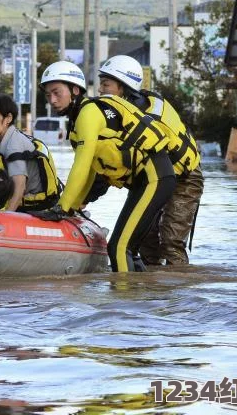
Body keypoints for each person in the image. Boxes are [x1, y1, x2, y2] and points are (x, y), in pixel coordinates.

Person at [38, 60, 176, 273]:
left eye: (57, 93)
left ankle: (123, 302)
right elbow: (92, 171)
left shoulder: (88, 113)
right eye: (48, 96)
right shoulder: (78, 120)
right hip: (147, 181)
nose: (52, 100)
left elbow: (81, 166)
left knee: (119, 248)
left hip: (155, 177)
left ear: (75, 90)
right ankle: (145, 295)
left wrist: (62, 208)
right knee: (128, 248)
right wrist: (74, 205)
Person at [98, 55, 204, 266]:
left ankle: (179, 293)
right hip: (157, 178)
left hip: (185, 178)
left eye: (105, 84)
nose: (100, 90)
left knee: (171, 241)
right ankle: (151, 293)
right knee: (146, 240)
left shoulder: (146, 118)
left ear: (122, 87)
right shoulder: (126, 113)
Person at [0, 93, 61, 212]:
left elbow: (19, 187)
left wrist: (6, 218)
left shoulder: (14, 145)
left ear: (8, 118)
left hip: (34, 206)